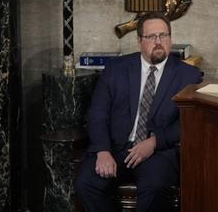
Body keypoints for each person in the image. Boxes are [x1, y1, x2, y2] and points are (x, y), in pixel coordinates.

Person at [75, 12, 203, 211]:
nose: (158, 42)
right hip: (116, 148)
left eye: (164, 35)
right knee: (86, 183)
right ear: (139, 41)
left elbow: (188, 122)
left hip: (158, 152)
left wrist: (154, 142)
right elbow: (98, 113)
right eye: (151, 37)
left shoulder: (189, 75)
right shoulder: (116, 69)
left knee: (154, 187)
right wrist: (103, 150)